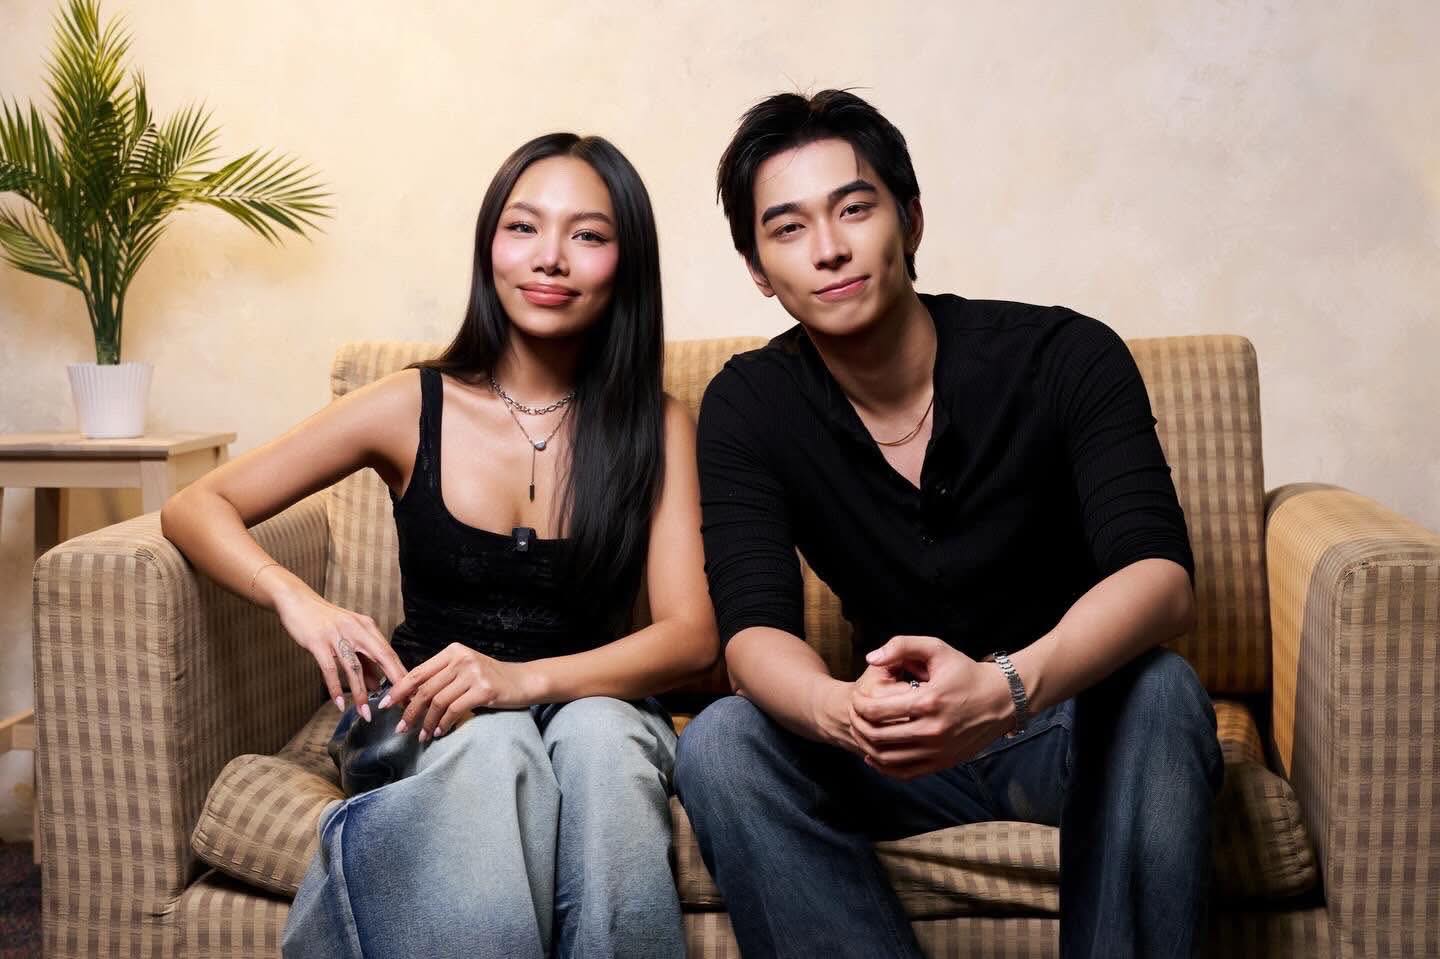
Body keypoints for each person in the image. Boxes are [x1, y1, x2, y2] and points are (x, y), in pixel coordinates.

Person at [674, 89, 1224, 958]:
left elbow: (1161, 580)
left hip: (1062, 726)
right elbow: (752, 635)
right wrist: (841, 709)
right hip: (894, 752)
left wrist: (1004, 690)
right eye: (788, 228)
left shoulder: (1064, 355)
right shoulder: (749, 404)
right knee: (721, 741)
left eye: (854, 209)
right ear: (758, 269)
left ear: (912, 219)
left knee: (1159, 690)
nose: (828, 248)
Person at [160, 132, 716, 959]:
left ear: (625, 262)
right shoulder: (408, 403)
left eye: (588, 234)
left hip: (594, 703)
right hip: (432, 714)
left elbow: (692, 635)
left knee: (603, 741)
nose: (551, 256)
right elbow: (196, 504)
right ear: (489, 245)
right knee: (493, 742)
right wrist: (299, 600)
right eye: (523, 227)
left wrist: (520, 679)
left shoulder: (658, 423)